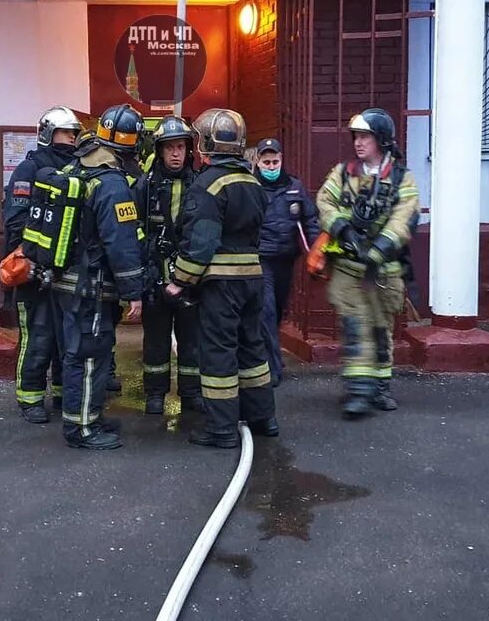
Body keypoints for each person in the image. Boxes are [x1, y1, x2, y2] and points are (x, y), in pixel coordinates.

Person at [165, 108, 278, 447]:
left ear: (207, 145)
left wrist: (179, 281)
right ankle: (263, 418)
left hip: (221, 284)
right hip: (253, 280)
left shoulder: (207, 184)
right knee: (252, 349)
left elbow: (201, 242)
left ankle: (221, 428)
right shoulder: (252, 181)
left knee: (218, 353)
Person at [315, 108, 419, 419]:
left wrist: (377, 250)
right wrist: (344, 229)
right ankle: (359, 390)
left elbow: (405, 218)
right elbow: (324, 201)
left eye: (366, 137)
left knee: (380, 329)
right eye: (356, 137)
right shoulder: (344, 173)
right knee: (356, 323)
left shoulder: (403, 178)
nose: (359, 143)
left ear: (382, 140)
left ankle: (380, 387)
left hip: (384, 270)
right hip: (348, 269)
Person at [52, 104, 146, 450]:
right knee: (90, 356)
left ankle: (89, 416)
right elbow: (121, 242)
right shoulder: (112, 183)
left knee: (80, 352)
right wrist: (134, 292)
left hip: (66, 280)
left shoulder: (78, 166)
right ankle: (83, 429)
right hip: (91, 286)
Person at [3, 106, 80, 423]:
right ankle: (30, 399)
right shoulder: (28, 170)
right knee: (38, 337)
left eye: (75, 134)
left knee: (67, 339)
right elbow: (17, 221)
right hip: (33, 274)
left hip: (66, 271)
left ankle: (64, 395)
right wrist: (37, 261)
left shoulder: (77, 169)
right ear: (49, 134)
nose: (72, 139)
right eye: (67, 133)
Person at [135, 116, 204, 415]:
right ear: (159, 151)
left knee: (191, 341)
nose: (176, 153)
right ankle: (155, 394)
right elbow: (132, 225)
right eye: (170, 148)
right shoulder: (144, 186)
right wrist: (148, 248)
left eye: (180, 147)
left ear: (188, 150)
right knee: (155, 341)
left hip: (190, 279)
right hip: (155, 276)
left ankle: (191, 394)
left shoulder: (200, 185)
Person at [253, 138, 320, 387]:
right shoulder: (252, 186)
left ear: (281, 160)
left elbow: (310, 220)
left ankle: (272, 355)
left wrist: (316, 250)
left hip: (286, 258)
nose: (271, 166)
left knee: (279, 310)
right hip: (261, 259)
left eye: (275, 161)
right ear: (257, 162)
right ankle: (271, 367)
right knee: (266, 312)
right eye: (266, 162)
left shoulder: (294, 187)